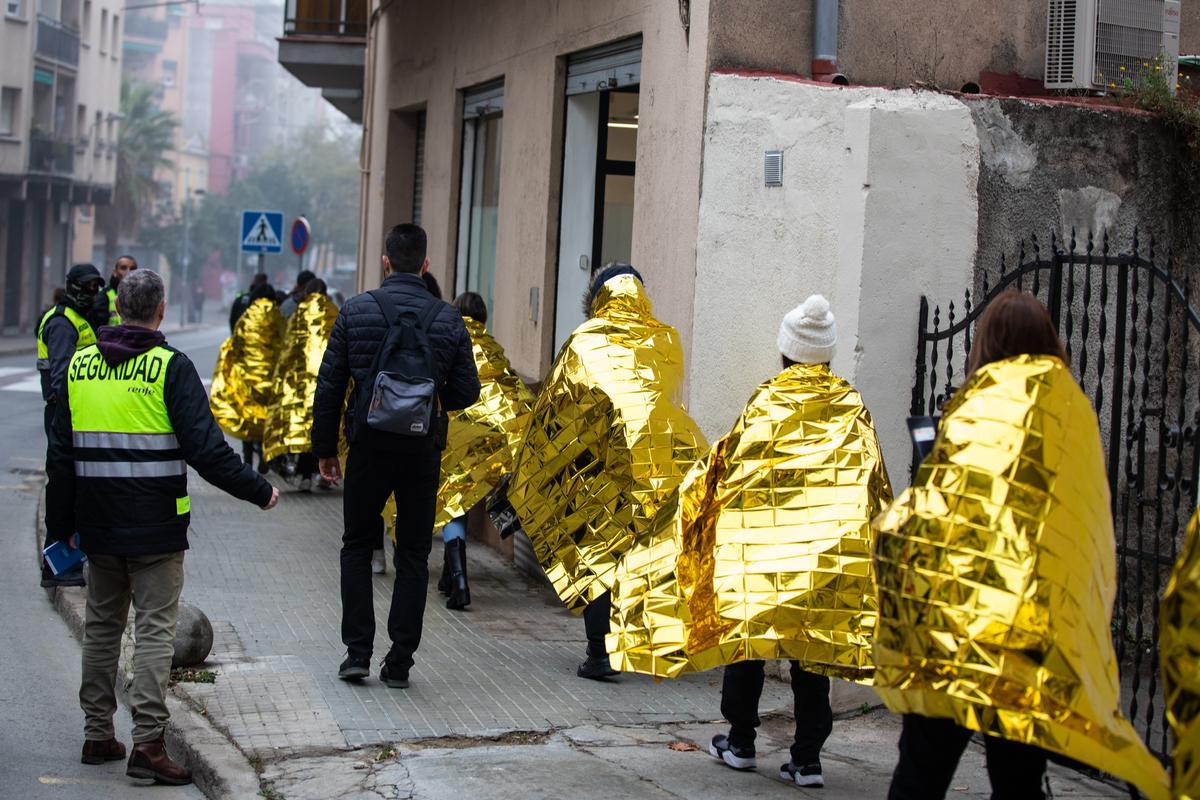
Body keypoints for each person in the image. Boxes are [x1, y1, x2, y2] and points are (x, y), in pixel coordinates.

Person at [873, 290, 1169, 800]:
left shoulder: (975, 403)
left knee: (923, 764)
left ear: (986, 341)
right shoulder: (1073, 410)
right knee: (1018, 776)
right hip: (1032, 631)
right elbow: (1081, 520)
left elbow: (937, 511)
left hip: (955, 623)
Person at [608, 295, 893, 790]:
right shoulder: (850, 407)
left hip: (762, 551)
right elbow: (872, 481)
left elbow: (729, 467)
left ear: (786, 353)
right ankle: (807, 759)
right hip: (826, 552)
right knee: (813, 649)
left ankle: (740, 740)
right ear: (826, 356)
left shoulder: (767, 401)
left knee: (747, 637)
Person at [45, 269, 279, 785]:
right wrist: (259, 489)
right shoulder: (168, 367)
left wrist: (60, 527)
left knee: (103, 629)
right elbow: (207, 451)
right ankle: (148, 742)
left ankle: (97, 734)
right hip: (154, 527)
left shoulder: (79, 367)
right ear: (162, 310)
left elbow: (60, 455)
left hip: (97, 526)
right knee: (153, 629)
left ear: (117, 307)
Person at [507, 263, 706, 679]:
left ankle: (599, 654)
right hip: (655, 468)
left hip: (597, 469)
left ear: (597, 299)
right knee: (650, 557)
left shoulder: (584, 341)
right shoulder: (665, 339)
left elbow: (555, 407)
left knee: (597, 557)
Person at [312, 223, 479, 688]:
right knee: (413, 553)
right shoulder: (448, 320)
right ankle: (400, 661)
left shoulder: (357, 310)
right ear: (426, 265)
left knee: (355, 544)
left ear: (386, 262)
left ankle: (356, 653)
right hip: (420, 451)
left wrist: (324, 448)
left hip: (366, 446)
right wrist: (432, 393)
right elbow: (468, 391)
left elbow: (330, 385)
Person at [433, 291, 534, 610]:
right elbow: (510, 392)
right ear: (484, 319)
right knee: (459, 502)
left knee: (453, 503)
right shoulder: (491, 348)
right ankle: (452, 577)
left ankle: (459, 581)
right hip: (487, 443)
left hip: (455, 438)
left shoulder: (449, 342)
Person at [37, 263, 105, 587]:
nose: (93, 293)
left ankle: (67, 562)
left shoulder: (80, 319)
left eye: (96, 287)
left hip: (76, 414)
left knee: (73, 489)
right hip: (65, 414)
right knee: (62, 490)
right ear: (72, 287)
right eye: (87, 287)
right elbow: (64, 376)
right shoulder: (63, 323)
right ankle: (55, 568)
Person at [262, 280, 339, 492]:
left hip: (299, 384)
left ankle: (305, 473)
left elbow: (287, 350)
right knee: (321, 429)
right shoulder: (333, 312)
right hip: (326, 383)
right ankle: (320, 474)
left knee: (304, 431)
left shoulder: (299, 314)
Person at [210, 282, 282, 473]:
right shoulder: (277, 316)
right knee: (268, 418)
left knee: (249, 417)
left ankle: (248, 460)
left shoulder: (246, 317)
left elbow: (236, 343)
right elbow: (286, 342)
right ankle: (266, 457)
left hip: (248, 377)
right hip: (272, 378)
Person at [89, 255, 137, 330]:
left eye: (132, 269)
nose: (128, 272)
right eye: (123, 268)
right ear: (115, 272)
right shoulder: (104, 296)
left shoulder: (141, 295)